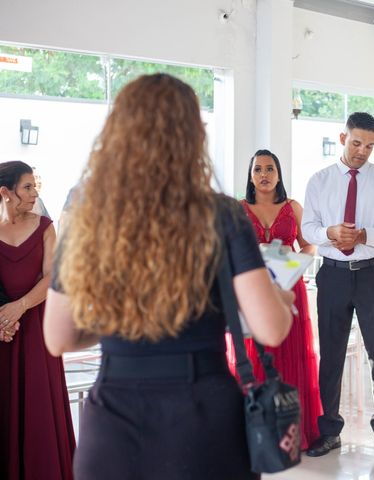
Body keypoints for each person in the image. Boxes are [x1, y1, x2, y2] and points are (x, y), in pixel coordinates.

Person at [42, 74, 294, 480]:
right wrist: (279, 301)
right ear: (192, 136)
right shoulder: (223, 214)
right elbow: (270, 330)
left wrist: (121, 326)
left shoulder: (90, 219)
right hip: (202, 417)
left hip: (113, 419)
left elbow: (59, 338)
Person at [302, 112, 374, 461]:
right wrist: (329, 234)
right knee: (331, 355)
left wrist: (365, 234)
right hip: (332, 273)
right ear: (342, 138)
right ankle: (330, 430)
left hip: (373, 274)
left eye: (370, 145)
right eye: (357, 143)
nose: (363, 151)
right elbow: (308, 228)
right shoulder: (319, 181)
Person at [239, 148, 322, 451]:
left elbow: (310, 246)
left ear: (278, 174)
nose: (264, 175)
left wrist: (293, 261)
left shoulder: (293, 207)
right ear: (250, 175)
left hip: (289, 285)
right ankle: (258, 429)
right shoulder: (239, 209)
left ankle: (290, 431)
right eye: (258, 169)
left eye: (270, 169)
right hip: (254, 289)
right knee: (255, 355)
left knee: (291, 353)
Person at [0, 161, 74, 480]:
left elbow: (53, 277)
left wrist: (20, 307)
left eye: (35, 187)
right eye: (27, 187)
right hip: (3, 334)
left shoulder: (45, 226)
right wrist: (3, 319)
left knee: (39, 412)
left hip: (37, 334)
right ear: (5, 192)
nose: (34, 194)